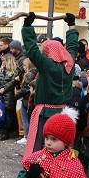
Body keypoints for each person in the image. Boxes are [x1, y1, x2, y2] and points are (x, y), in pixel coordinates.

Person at [20, 11, 79, 154]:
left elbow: (32, 50)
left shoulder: (47, 65)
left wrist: (27, 26)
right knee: (59, 149)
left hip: (46, 114)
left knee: (41, 148)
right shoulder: (69, 64)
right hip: (62, 113)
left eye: (45, 50)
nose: (44, 53)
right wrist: (71, 25)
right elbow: (72, 46)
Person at [0, 52, 20, 141]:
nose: (3, 63)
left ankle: (6, 132)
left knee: (7, 115)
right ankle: (0, 130)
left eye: (4, 61)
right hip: (0, 95)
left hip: (8, 95)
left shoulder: (14, 72)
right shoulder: (1, 70)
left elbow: (12, 82)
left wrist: (4, 88)